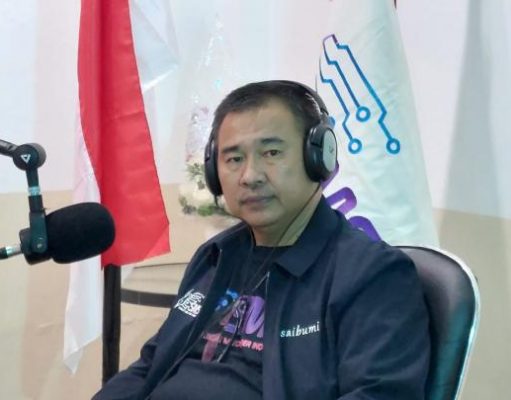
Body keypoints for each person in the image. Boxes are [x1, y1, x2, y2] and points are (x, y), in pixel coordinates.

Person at [93, 80, 430, 400]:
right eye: (234, 159)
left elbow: (378, 393)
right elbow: (152, 364)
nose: (250, 176)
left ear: (318, 157)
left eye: (271, 152)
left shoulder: (372, 275)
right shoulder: (216, 256)